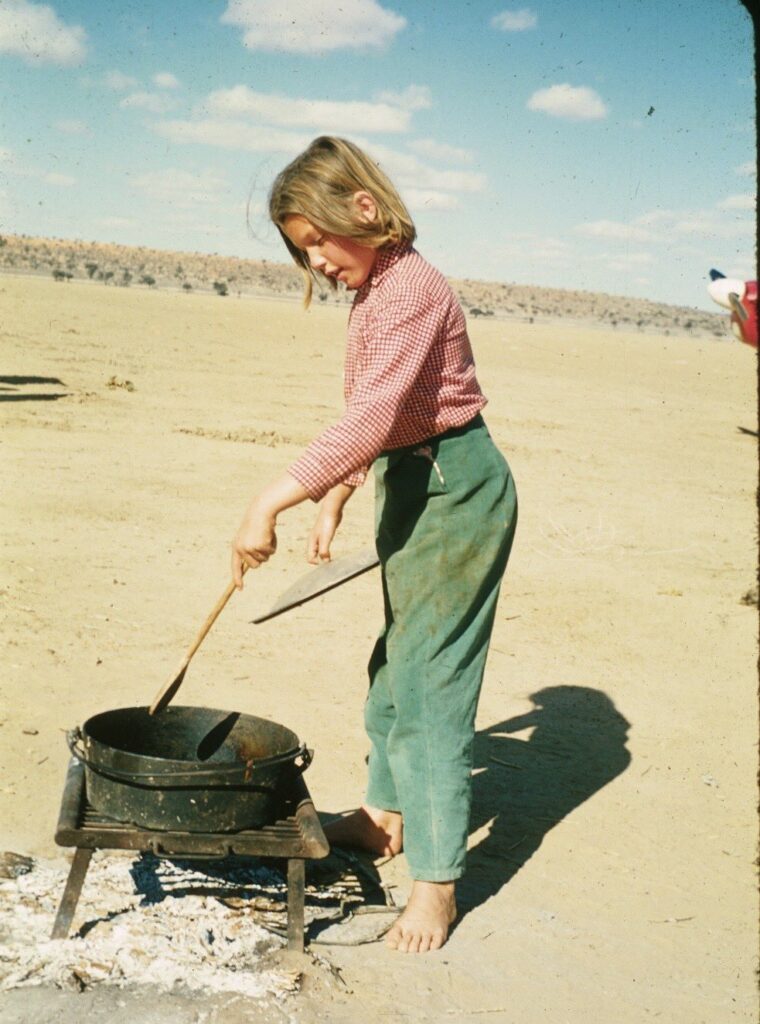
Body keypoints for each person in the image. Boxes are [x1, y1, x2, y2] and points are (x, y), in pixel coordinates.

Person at [232, 136, 517, 954]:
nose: (315, 260)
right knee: (394, 664)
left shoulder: (411, 290)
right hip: (409, 480)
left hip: (457, 490)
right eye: (300, 251)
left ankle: (436, 885)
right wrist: (336, 497)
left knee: (433, 687)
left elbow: (369, 416)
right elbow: (377, 413)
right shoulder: (376, 292)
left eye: (318, 239)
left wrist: (270, 500)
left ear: (364, 208)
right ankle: (382, 816)